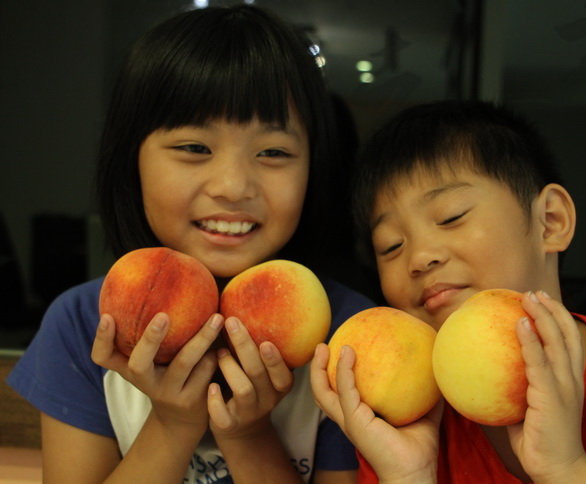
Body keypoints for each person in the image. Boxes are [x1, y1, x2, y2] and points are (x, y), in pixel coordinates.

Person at [6, 4, 374, 483]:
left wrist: (248, 435)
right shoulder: (84, 326)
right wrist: (172, 424)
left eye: (273, 152)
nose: (233, 186)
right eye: (195, 148)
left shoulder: (347, 335)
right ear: (131, 160)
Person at [311, 100, 586, 483]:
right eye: (391, 246)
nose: (419, 257)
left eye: (451, 217)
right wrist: (409, 477)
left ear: (550, 221)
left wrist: (565, 468)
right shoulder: (403, 423)